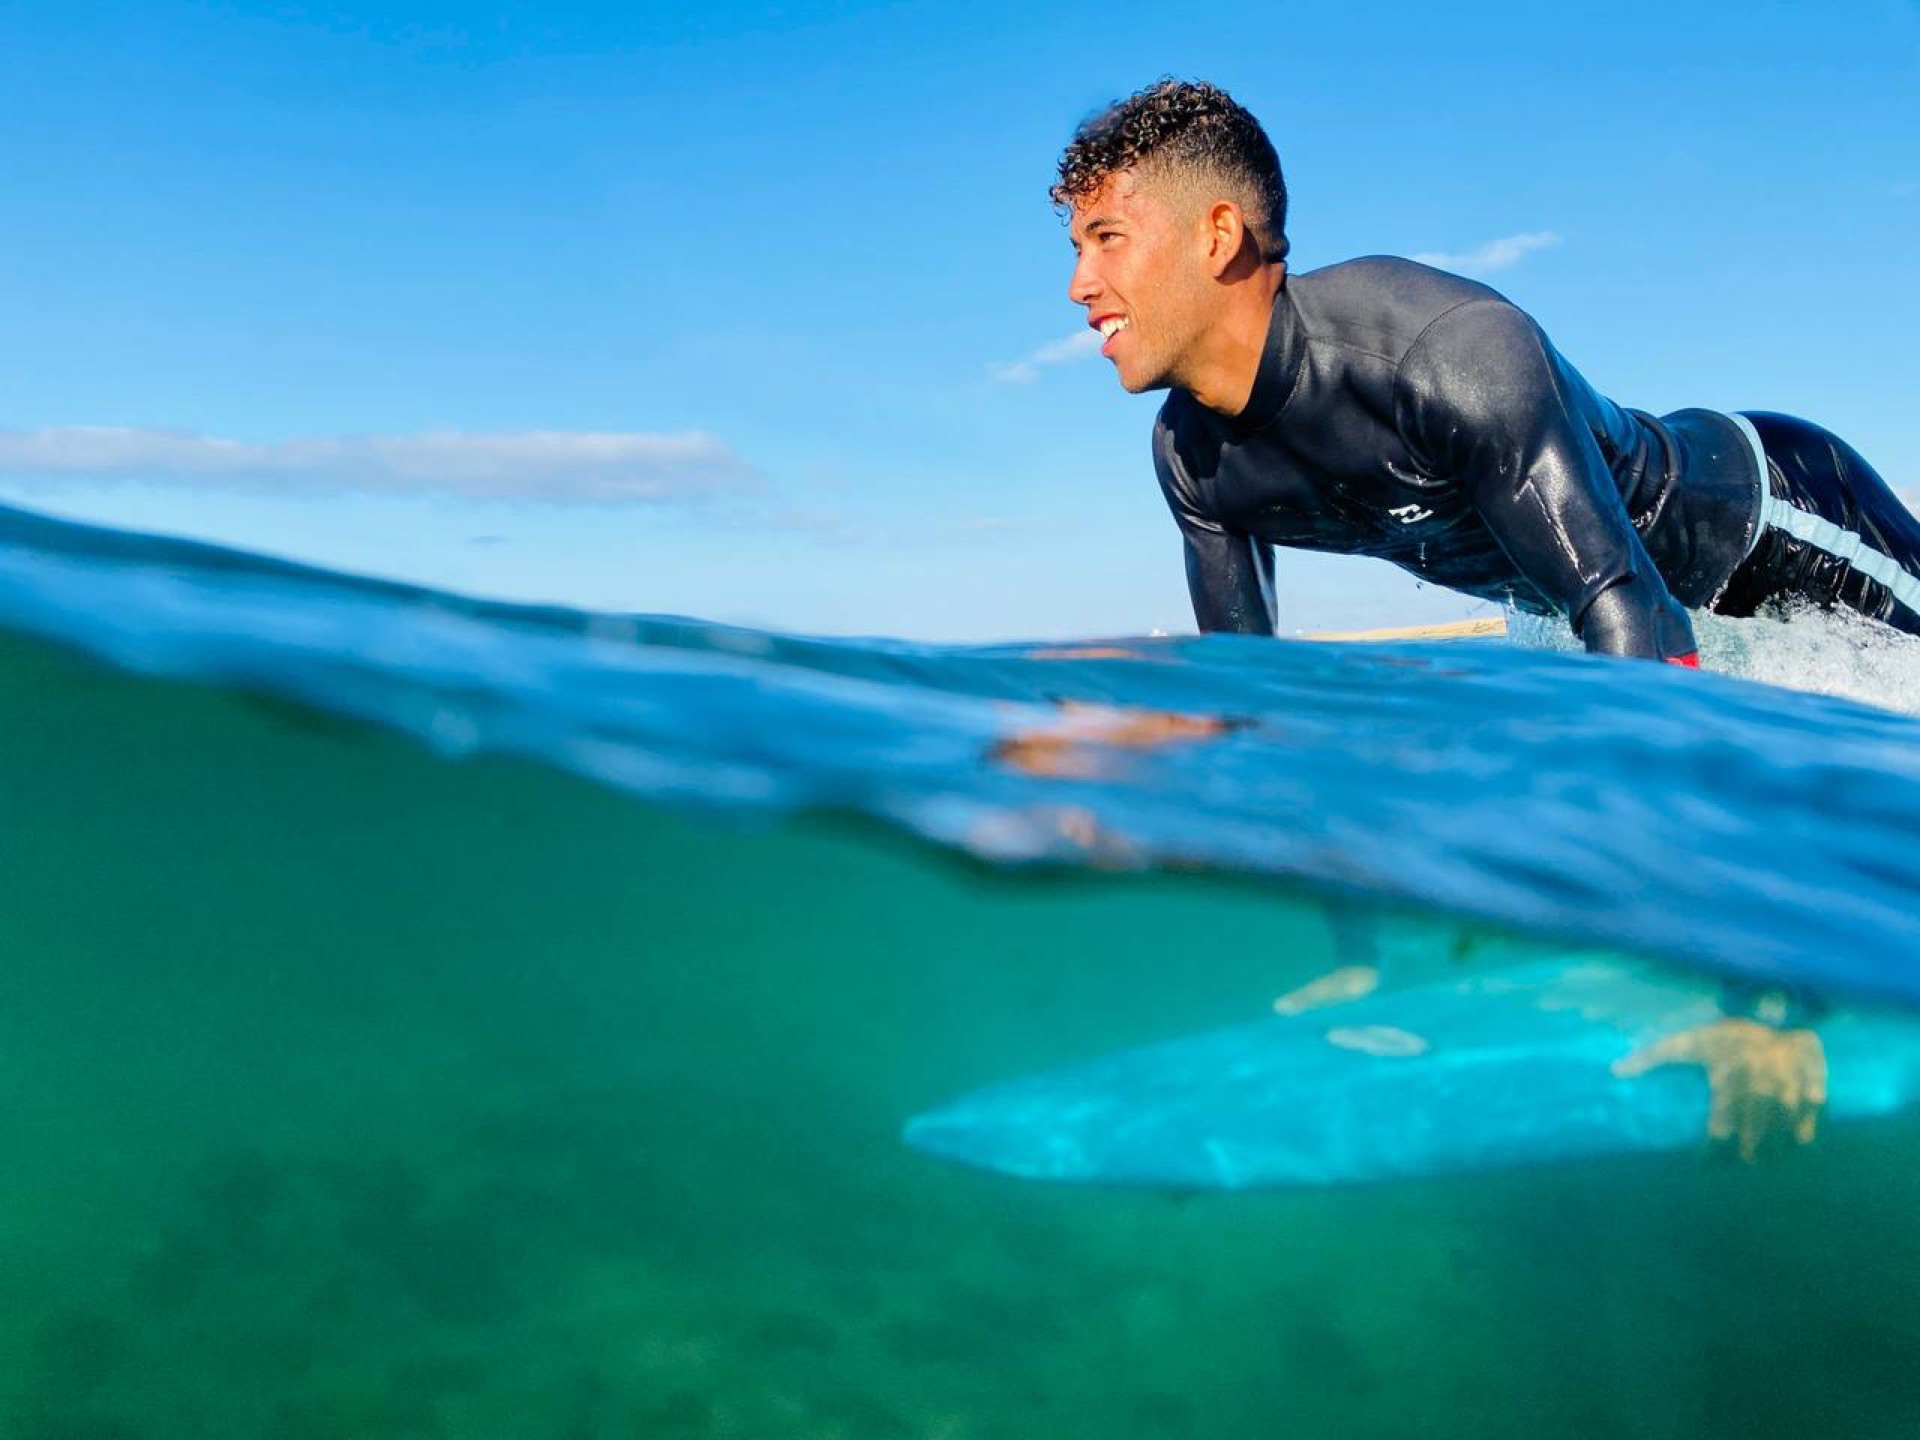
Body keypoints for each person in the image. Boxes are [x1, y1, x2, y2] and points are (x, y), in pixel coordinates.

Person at [1055, 79, 1920, 663]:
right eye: (1076, 248)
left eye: (1108, 240)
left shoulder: (1446, 352)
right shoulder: (1193, 458)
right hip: (1598, 610)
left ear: (1217, 235)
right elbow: (1249, 700)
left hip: (1774, 520)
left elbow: (1631, 611)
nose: (1079, 285)